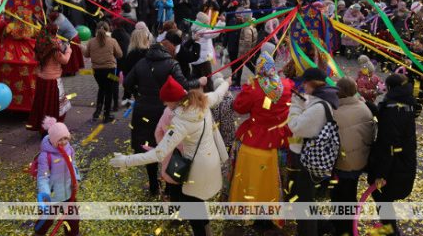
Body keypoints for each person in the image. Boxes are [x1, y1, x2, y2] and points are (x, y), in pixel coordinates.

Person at [110, 75, 230, 236]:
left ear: (174, 101)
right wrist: (226, 81)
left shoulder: (180, 122)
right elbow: (220, 92)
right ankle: (208, 231)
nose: (164, 104)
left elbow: (158, 154)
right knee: (197, 201)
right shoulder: (203, 100)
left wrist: (125, 161)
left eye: (166, 101)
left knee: (191, 208)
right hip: (211, 161)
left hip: (196, 170)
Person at [123, 38, 206, 197]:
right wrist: (199, 81)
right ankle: (170, 187)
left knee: (148, 146)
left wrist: (139, 94)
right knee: (170, 147)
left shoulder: (141, 63)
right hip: (164, 110)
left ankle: (154, 185)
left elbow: (127, 83)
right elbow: (184, 86)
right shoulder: (171, 64)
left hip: (143, 111)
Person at [229, 51, 293, 232]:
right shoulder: (286, 85)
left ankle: (251, 211)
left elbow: (239, 107)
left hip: (255, 139)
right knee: (277, 180)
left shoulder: (253, 86)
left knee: (252, 179)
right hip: (279, 139)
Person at [287, 67, 339, 236]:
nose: (303, 86)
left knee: (304, 200)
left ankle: (309, 231)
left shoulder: (319, 106)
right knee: (304, 196)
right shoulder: (321, 99)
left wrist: (295, 105)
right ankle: (322, 226)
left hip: (308, 158)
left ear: (311, 84)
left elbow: (296, 126)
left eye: (305, 83)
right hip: (310, 155)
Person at [368, 74, 417, 236]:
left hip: (394, 164)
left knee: (382, 195)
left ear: (390, 88)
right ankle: (390, 228)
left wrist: (381, 174)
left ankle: (391, 230)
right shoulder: (405, 102)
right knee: (385, 198)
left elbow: (389, 144)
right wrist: (371, 106)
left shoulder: (393, 108)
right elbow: (390, 121)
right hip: (402, 160)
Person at [331, 77, 376, 236]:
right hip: (360, 161)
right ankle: (344, 224)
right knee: (350, 193)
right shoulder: (364, 108)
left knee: (340, 194)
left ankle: (343, 228)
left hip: (343, 164)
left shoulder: (335, 112)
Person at [35, 117, 80, 236]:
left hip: (69, 193)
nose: (64, 142)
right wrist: (45, 193)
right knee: (46, 220)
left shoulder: (69, 149)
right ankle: (39, 233)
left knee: (73, 220)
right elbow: (43, 177)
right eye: (60, 139)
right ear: (53, 139)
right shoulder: (45, 156)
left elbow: (73, 165)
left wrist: (76, 180)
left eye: (66, 138)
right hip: (53, 197)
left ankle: (73, 234)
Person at [28, 22, 73, 131]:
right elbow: (65, 60)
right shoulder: (54, 45)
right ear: (53, 31)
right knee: (53, 105)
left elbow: (35, 58)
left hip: (41, 77)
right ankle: (52, 127)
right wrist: (68, 51)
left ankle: (40, 124)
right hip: (53, 80)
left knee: (42, 102)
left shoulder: (40, 43)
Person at [83, 21, 123, 123]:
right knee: (109, 91)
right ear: (108, 29)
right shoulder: (112, 41)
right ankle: (107, 114)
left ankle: (97, 112)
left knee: (101, 89)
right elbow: (119, 54)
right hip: (109, 69)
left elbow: (87, 55)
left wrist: (83, 49)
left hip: (97, 70)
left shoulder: (91, 41)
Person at [119, 27, 151, 106]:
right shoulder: (149, 53)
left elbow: (126, 71)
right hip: (147, 86)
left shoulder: (131, 54)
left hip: (137, 86)